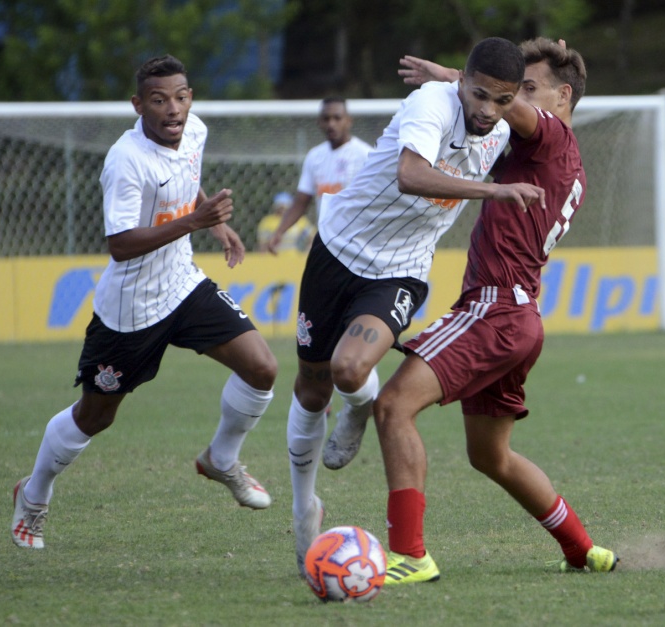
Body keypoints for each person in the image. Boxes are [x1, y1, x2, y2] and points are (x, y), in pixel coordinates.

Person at [286, 36, 546, 575]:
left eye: (501, 102)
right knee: (312, 384)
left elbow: (551, 118)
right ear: (461, 85)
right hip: (336, 251)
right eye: (477, 95)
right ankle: (303, 504)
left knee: (349, 368)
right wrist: (495, 191)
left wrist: (561, 68)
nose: (487, 111)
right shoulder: (432, 102)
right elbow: (410, 175)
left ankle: (358, 405)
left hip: (400, 271)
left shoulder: (500, 124)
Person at [375, 38, 617, 585]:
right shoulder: (560, 159)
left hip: (494, 310)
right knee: (491, 456)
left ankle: (410, 554)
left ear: (563, 97)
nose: (508, 104)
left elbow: (502, 101)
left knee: (392, 406)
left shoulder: (550, 138)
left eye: (526, 93)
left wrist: (447, 73)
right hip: (521, 317)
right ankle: (584, 549)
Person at [11, 55, 278, 550]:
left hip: (182, 281)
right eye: (158, 100)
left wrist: (217, 225)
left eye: (180, 96)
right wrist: (196, 224)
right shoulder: (125, 160)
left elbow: (186, 180)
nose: (172, 108)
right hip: (131, 309)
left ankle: (220, 459)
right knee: (96, 416)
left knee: (262, 368)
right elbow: (120, 243)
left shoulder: (195, 130)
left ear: (190, 97)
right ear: (138, 105)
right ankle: (33, 493)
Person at [264, 97, 372, 254]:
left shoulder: (365, 155)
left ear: (349, 121)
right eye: (326, 119)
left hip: (359, 241)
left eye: (337, 118)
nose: (331, 124)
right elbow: (301, 201)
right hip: (326, 240)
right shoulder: (315, 156)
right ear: (319, 122)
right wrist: (280, 231)